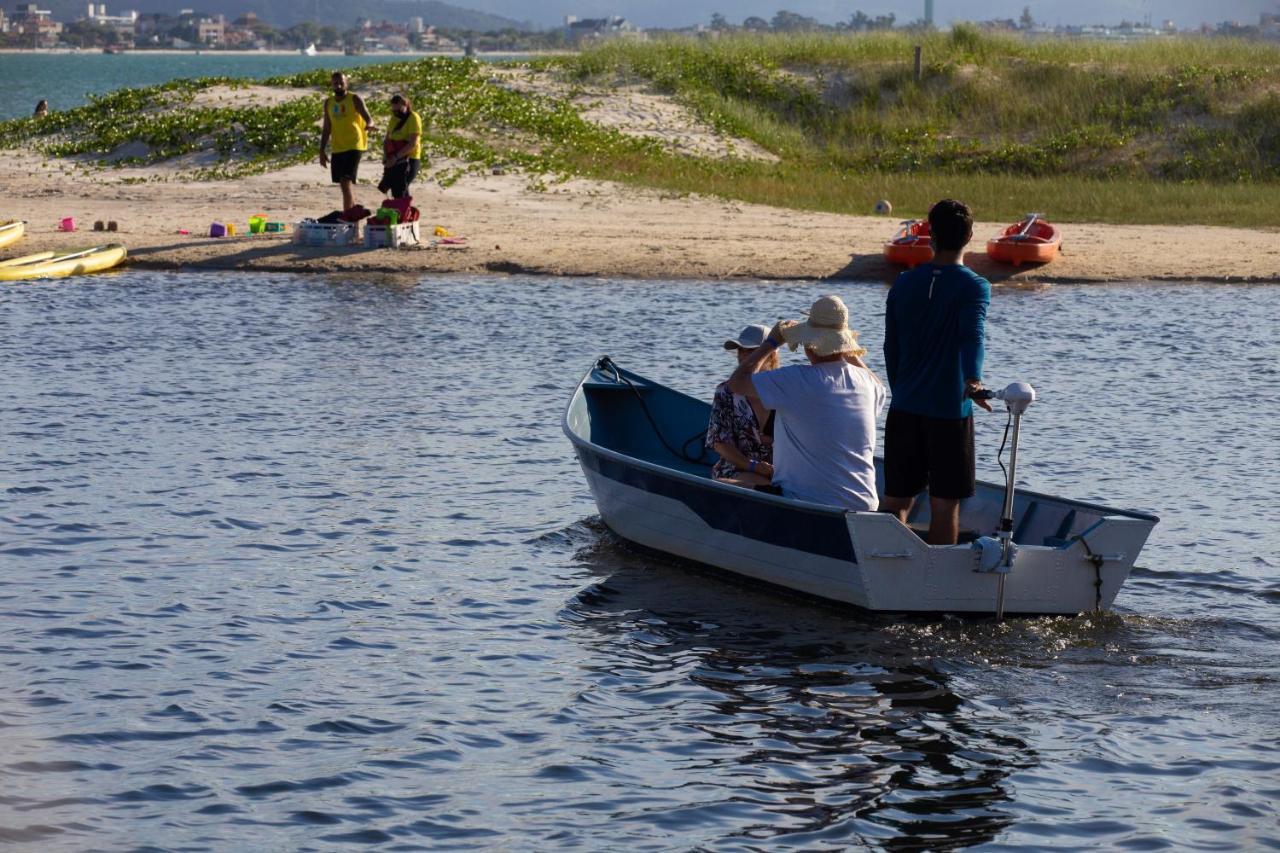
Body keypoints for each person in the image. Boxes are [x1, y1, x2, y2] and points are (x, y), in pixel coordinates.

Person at [879, 198, 992, 545]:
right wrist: (973, 380)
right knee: (945, 504)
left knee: (897, 499)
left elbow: (890, 347)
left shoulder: (903, 283)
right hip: (949, 411)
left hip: (905, 407)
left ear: (930, 234)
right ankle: (935, 586)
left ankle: (886, 567)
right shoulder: (974, 286)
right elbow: (972, 335)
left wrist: (903, 389)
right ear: (970, 236)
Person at [727, 295, 886, 511]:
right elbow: (876, 382)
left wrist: (770, 343)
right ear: (845, 344)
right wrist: (848, 350)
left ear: (809, 345)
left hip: (806, 502)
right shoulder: (869, 383)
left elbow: (736, 383)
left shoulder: (797, 379)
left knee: (721, 484)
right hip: (865, 504)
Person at [706, 324, 779, 487]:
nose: (743, 356)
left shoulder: (784, 389)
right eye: (740, 350)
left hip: (780, 473)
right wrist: (753, 466)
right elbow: (719, 443)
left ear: (771, 355)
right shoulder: (725, 391)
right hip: (736, 471)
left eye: (751, 350)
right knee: (760, 484)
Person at [318, 72, 376, 213]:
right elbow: (327, 127)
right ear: (331, 84)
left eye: (341, 83)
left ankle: (347, 217)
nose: (338, 85)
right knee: (344, 184)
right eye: (335, 83)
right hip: (338, 147)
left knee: (345, 181)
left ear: (346, 84)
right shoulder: (329, 103)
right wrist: (322, 150)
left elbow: (368, 118)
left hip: (354, 144)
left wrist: (369, 124)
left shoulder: (355, 99)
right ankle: (353, 215)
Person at [377, 94, 423, 200]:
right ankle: (401, 211)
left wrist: (396, 157)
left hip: (409, 159)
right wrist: (386, 156)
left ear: (405, 105)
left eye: (398, 110)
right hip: (394, 158)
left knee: (401, 187)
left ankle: (403, 212)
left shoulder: (413, 118)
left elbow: (413, 143)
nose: (396, 113)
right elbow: (387, 139)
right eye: (394, 110)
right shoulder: (394, 119)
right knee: (390, 188)